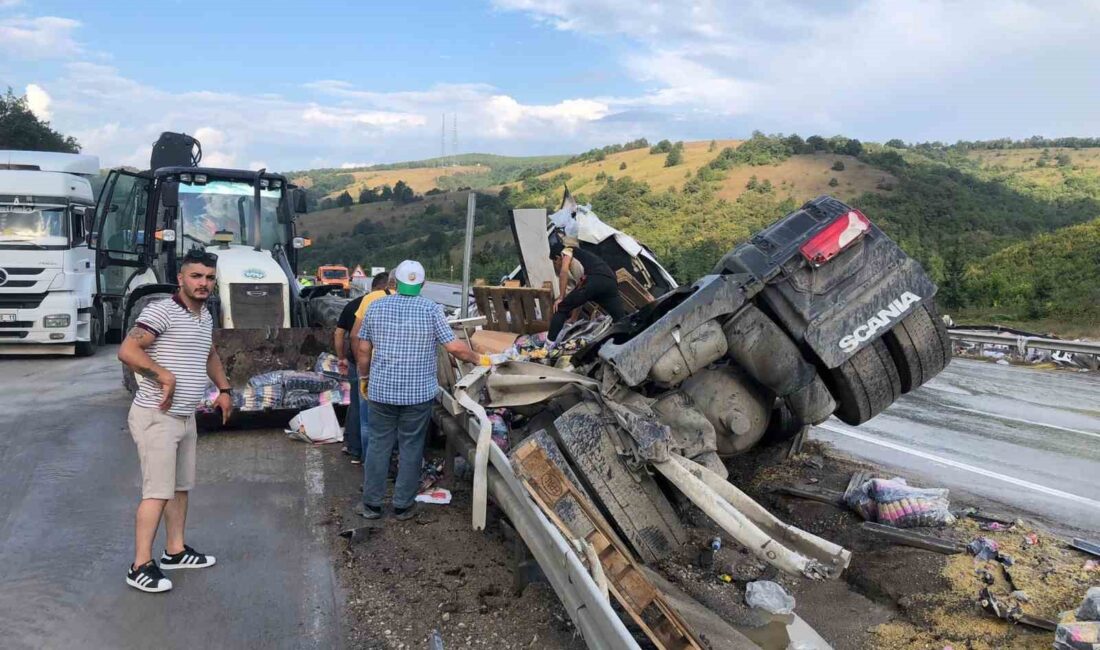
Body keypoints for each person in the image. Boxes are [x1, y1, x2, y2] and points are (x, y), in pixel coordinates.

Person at [117, 248, 233, 593]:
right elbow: (128, 350)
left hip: (185, 416)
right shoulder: (162, 311)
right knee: (156, 492)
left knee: (180, 488)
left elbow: (208, 352)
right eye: (196, 276)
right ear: (181, 278)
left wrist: (224, 388)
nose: (203, 283)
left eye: (209, 278)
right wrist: (164, 375)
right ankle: (139, 565)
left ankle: (175, 550)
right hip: (157, 415)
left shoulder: (203, 316)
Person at [355, 260, 483, 520]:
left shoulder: (376, 306)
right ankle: (403, 505)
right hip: (417, 395)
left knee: (379, 445)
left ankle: (372, 505)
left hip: (382, 391)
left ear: (395, 283)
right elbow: (455, 349)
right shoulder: (431, 310)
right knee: (411, 446)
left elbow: (363, 349)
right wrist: (481, 359)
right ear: (422, 285)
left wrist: (365, 377)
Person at [334, 271, 392, 463]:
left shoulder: (354, 304)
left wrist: (344, 358)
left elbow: (341, 334)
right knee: (382, 416)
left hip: (359, 363)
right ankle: (383, 458)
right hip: (381, 365)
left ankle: (357, 451)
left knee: (360, 408)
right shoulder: (389, 302)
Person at [548, 231, 627, 340]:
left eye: (555, 263)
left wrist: (561, 297)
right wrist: (573, 318)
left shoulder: (567, 250)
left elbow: (564, 272)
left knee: (561, 308)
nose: (556, 266)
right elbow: (581, 296)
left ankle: (548, 345)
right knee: (621, 319)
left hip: (595, 279)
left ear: (557, 257)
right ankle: (627, 340)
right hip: (610, 281)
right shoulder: (581, 258)